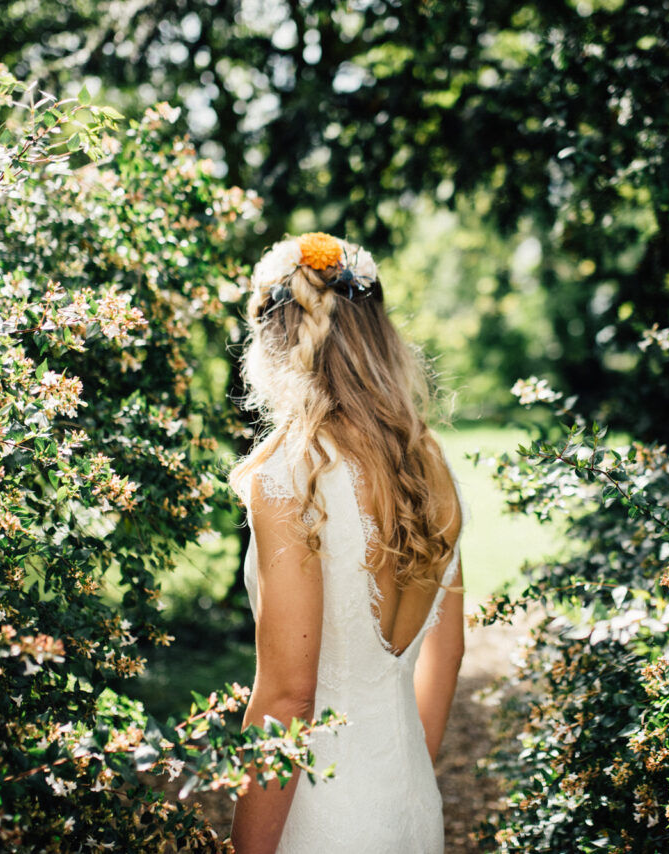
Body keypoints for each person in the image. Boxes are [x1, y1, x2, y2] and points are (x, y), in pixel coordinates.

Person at [228, 232, 466, 854]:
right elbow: (448, 656)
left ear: (274, 339)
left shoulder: (290, 479)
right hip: (412, 805)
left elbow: (287, 696)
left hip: (322, 820)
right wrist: (402, 777)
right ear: (378, 335)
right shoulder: (430, 468)